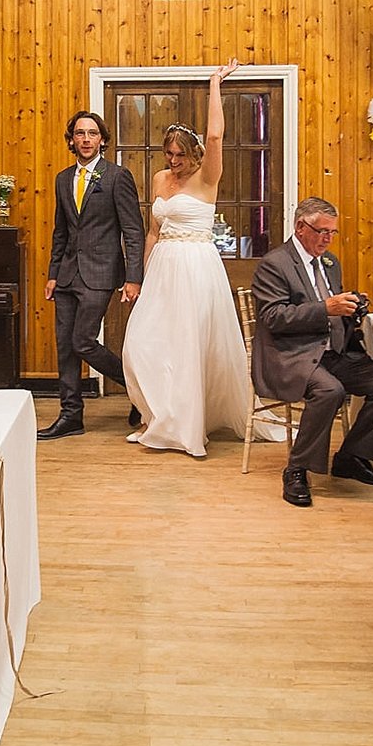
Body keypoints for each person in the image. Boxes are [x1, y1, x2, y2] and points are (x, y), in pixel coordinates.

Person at [121, 59, 252, 457]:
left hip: (195, 267)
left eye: (179, 154)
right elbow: (153, 230)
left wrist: (215, 84)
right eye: (168, 154)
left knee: (186, 346)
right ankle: (157, 416)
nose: (172, 161)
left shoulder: (207, 175)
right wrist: (139, 279)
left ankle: (186, 427)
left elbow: (215, 135)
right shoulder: (161, 179)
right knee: (141, 345)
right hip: (162, 267)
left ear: (193, 153)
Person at [250, 197, 373, 507]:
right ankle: (296, 469)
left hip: (332, 353)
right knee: (330, 390)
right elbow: (274, 317)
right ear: (301, 227)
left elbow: (330, 309)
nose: (327, 239)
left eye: (333, 233)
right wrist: (325, 308)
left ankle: (352, 457)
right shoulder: (275, 263)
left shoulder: (330, 262)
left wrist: (351, 307)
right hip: (291, 354)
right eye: (322, 231)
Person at [39, 109, 146, 440]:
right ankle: (71, 415)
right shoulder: (61, 178)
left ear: (102, 140)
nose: (86, 139)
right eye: (80, 134)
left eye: (92, 134)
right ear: (72, 140)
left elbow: (133, 230)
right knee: (65, 346)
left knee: (83, 341)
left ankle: (141, 394)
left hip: (100, 273)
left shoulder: (117, 176)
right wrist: (53, 273)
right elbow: (61, 231)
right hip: (68, 274)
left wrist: (133, 277)